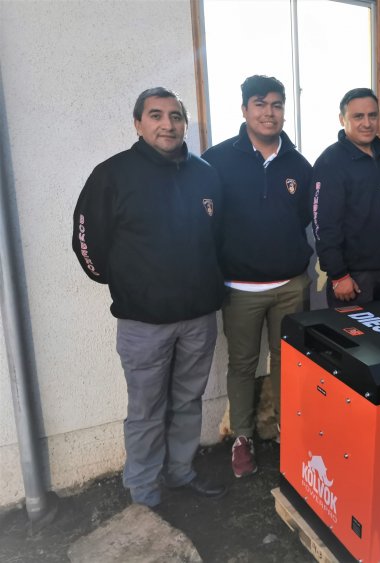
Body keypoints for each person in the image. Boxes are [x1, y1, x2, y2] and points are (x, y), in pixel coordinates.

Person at [72, 87, 226, 507]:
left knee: (188, 400)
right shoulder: (112, 175)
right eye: (156, 115)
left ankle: (180, 472)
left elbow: (217, 238)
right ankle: (142, 490)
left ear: (185, 124)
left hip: (198, 318)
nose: (167, 124)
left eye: (176, 116)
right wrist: (129, 286)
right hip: (143, 323)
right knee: (145, 410)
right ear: (138, 124)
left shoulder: (205, 174)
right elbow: (87, 245)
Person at [201, 75, 312, 478]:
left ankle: (288, 430)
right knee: (243, 365)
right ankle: (243, 438)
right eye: (260, 104)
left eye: (277, 104)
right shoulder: (216, 160)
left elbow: (302, 219)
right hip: (240, 288)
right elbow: (206, 221)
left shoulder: (298, 164)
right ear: (244, 109)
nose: (269, 112)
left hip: (290, 286)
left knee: (290, 363)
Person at [312, 87, 380, 307]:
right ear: (342, 119)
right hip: (352, 278)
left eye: (372, 115)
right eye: (358, 116)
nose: (367, 123)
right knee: (353, 341)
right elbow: (324, 225)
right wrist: (338, 275)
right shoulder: (330, 162)